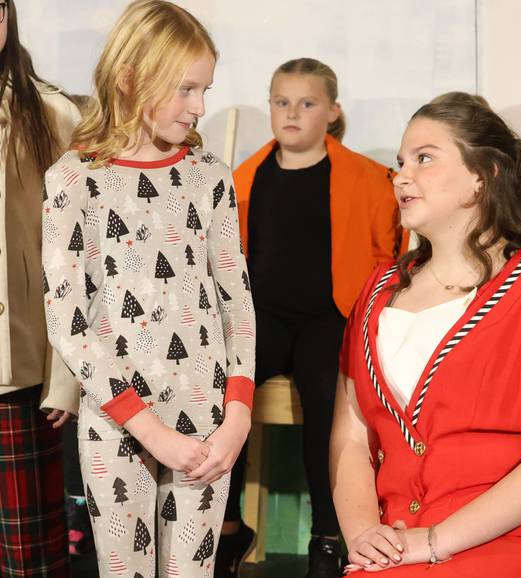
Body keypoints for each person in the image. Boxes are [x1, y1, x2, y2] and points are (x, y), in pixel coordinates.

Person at [330, 92, 521, 576]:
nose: (402, 177)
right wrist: (362, 536)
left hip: (507, 543)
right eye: (400, 163)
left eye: (425, 159)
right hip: (394, 545)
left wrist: (435, 542)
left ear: (482, 178)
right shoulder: (375, 292)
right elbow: (351, 438)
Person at [41, 2, 255, 576]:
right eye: (186, 89)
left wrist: (238, 415)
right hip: (118, 425)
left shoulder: (210, 175)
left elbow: (237, 301)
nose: (200, 107)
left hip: (210, 426)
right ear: (132, 76)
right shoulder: (72, 180)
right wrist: (149, 430)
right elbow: (69, 321)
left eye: (205, 89)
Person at [224, 57, 404, 578]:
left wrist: (370, 319)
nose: (292, 113)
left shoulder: (369, 180)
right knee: (223, 393)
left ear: (332, 111)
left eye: (307, 103)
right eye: (282, 102)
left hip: (331, 316)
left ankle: (329, 534)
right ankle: (229, 528)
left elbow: (385, 255)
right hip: (264, 318)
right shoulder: (244, 178)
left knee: (328, 399)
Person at [0, 1, 81, 575]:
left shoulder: (50, 114)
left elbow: (78, 254)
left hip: (21, 369)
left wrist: (67, 375)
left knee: (29, 560)